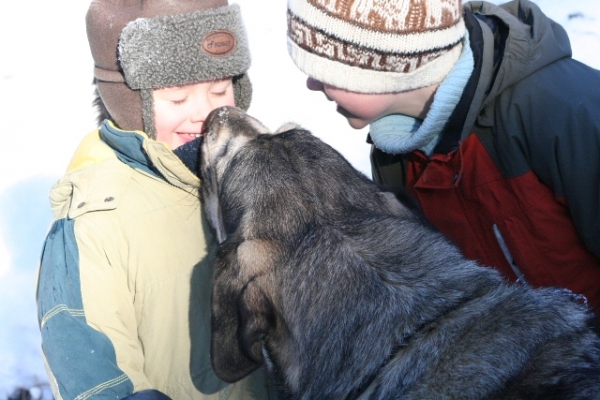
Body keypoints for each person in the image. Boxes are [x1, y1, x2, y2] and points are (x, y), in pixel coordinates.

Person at [286, 0, 600, 316]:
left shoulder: (562, 112)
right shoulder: (394, 157)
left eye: (323, 69)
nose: (312, 84)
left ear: (384, 63)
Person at [36, 1, 273, 399]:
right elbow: (95, 373)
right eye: (177, 99)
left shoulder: (264, 178)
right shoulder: (96, 222)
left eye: (220, 89)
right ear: (131, 105)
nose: (206, 113)